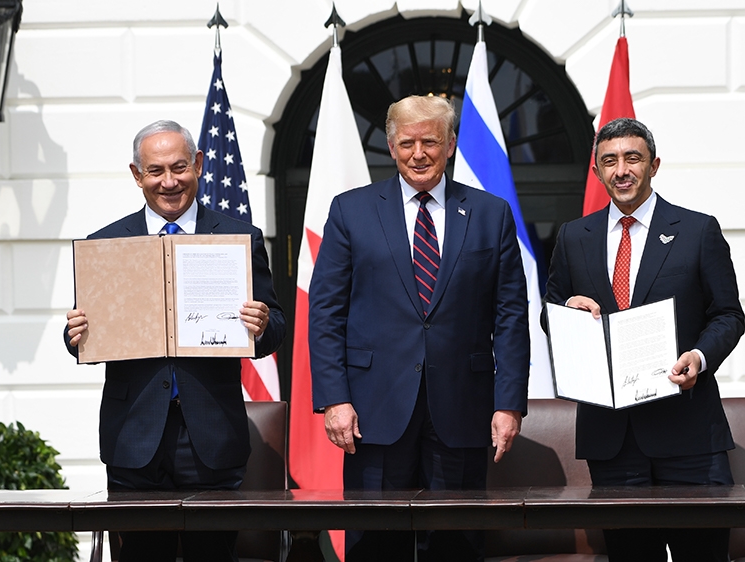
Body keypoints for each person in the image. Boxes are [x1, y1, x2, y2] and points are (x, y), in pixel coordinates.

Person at [307, 95, 530, 561]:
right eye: (407, 143)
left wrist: (509, 404)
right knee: (375, 545)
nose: (419, 153)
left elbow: (511, 318)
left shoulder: (491, 214)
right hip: (372, 413)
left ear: (450, 145)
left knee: (457, 544)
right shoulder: (352, 211)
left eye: (430, 141)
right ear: (391, 147)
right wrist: (335, 398)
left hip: (463, 411)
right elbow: (326, 313)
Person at [64, 120, 285, 562]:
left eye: (180, 167)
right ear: (136, 174)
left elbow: (275, 327)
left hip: (212, 435)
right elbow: (83, 337)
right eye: (156, 171)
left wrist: (262, 324)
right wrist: (75, 336)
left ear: (199, 165)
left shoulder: (238, 237)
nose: (169, 182)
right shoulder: (105, 244)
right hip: (134, 435)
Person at [542, 117, 744, 561]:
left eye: (632, 158)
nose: (622, 170)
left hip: (689, 433)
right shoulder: (575, 236)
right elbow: (549, 314)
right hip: (613, 440)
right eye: (609, 161)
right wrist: (567, 312)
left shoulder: (698, 230)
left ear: (654, 165)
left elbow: (729, 314)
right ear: (596, 171)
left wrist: (700, 355)